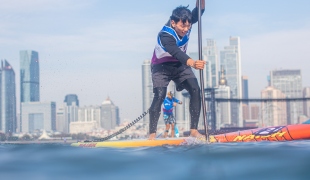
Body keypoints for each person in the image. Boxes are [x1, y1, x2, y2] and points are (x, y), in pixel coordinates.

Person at [148, 0, 206, 140]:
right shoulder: (165, 34)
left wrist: (202, 3)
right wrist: (192, 63)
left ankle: (193, 130)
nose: (186, 29)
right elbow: (176, 52)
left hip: (180, 66)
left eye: (188, 25)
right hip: (161, 67)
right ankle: (152, 135)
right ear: (173, 23)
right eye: (182, 26)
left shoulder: (187, 22)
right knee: (160, 95)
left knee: (195, 90)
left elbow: (199, 11)